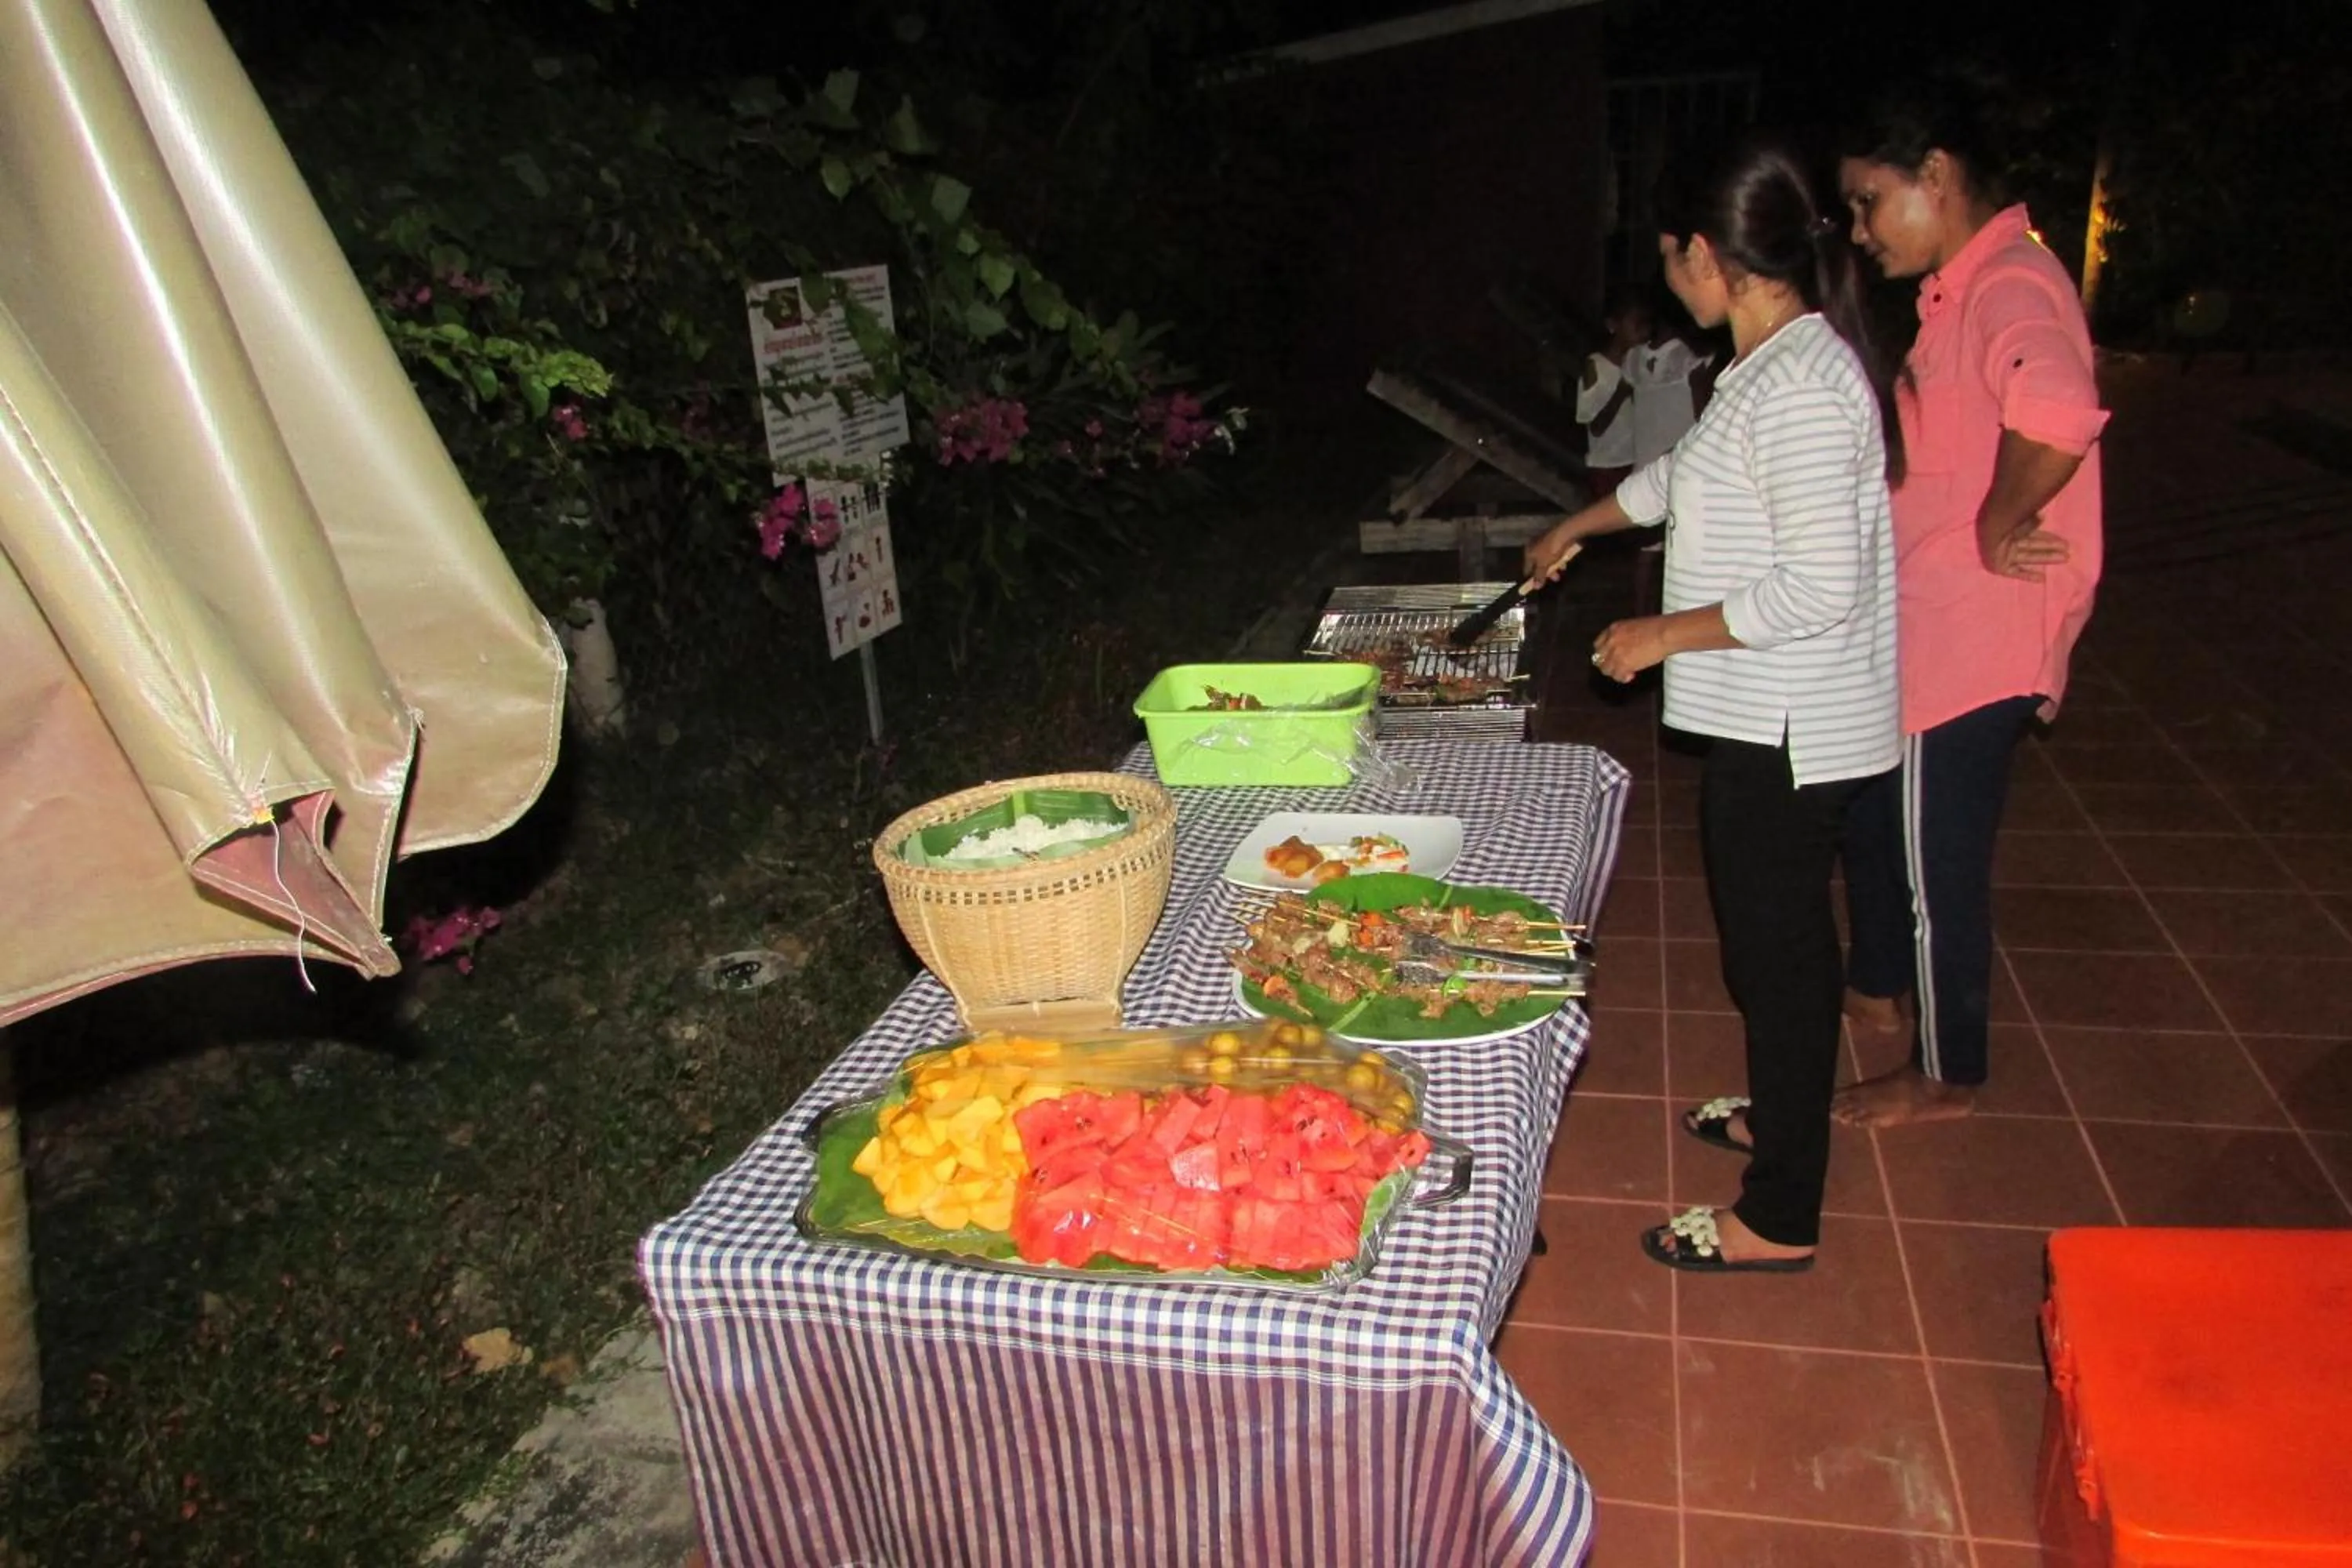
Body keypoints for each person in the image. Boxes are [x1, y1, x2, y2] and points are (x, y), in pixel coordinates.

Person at [1524, 137, 1903, 1272]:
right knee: (1768, 951)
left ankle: (1781, 1214)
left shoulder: (1799, 387)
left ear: (1707, 254)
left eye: (1668, 258)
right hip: (1766, 717)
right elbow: (1678, 481)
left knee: (1779, 961)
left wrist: (1661, 634)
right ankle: (1779, 1113)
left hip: (1792, 726)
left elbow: (1818, 588)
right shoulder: (1766, 366)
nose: (1663, 279)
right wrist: (1576, 528)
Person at [1830, 76, 2108, 1130]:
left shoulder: (2008, 286)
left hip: (1977, 635)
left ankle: (1948, 1069)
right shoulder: (1964, 289)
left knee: (1934, 859)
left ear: (1935, 178)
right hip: (1939, 627)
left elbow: (2062, 410)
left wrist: (2001, 521)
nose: (1860, 231)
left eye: (1869, 202)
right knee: (1889, 825)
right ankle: (1880, 985)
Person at [1575, 284, 1650, 497]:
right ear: (1613, 325)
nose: (1643, 332)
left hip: (1636, 462)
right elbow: (1596, 427)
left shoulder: (1639, 364)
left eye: (1645, 324)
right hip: (1607, 467)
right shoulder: (1596, 366)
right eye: (1636, 324)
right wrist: (1622, 391)